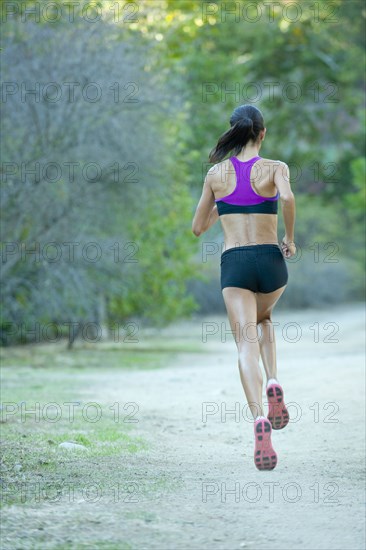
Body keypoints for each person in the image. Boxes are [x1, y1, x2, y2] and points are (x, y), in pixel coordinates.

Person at [191, 104, 296, 471]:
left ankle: (257, 418)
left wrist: (225, 205)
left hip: (234, 263)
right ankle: (274, 380)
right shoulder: (275, 169)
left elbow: (198, 227)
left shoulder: (216, 175)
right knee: (265, 318)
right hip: (271, 261)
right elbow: (286, 198)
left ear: (233, 132)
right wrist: (290, 237)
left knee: (244, 342)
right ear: (262, 133)